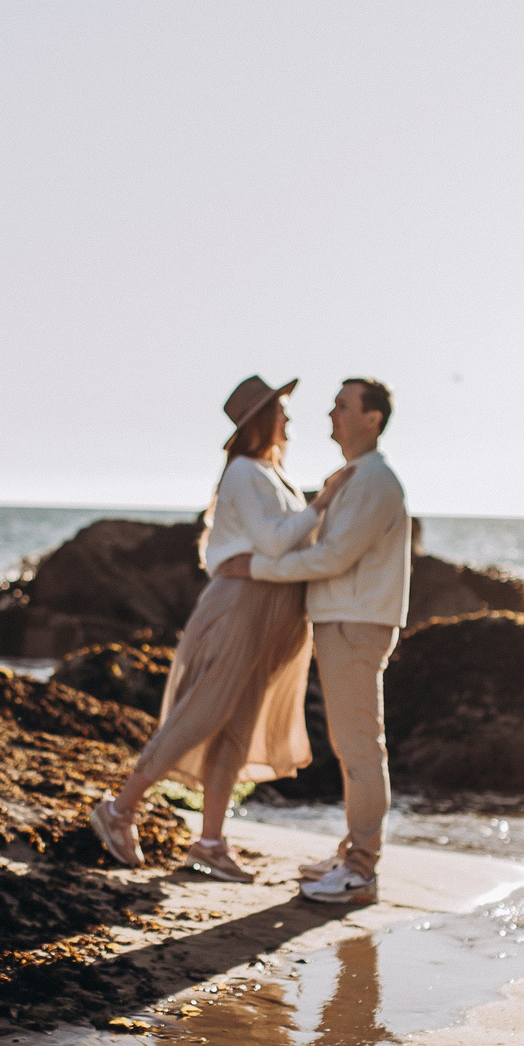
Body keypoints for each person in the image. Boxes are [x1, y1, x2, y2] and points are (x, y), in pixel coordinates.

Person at [88, 376, 348, 881]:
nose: (289, 420)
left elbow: (282, 543)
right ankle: (119, 809)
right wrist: (322, 503)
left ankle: (209, 842)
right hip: (241, 606)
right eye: (281, 411)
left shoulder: (273, 475)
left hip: (270, 612)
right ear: (262, 420)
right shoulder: (244, 474)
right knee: (202, 712)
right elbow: (275, 542)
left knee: (237, 724)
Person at [214, 377, 406, 905]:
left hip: (354, 624)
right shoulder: (355, 478)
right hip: (344, 620)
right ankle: (353, 853)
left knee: (361, 748)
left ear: (373, 418)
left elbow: (332, 558)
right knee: (351, 746)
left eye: (342, 406)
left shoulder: (373, 481)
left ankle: (361, 870)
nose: (330, 414)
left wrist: (253, 568)